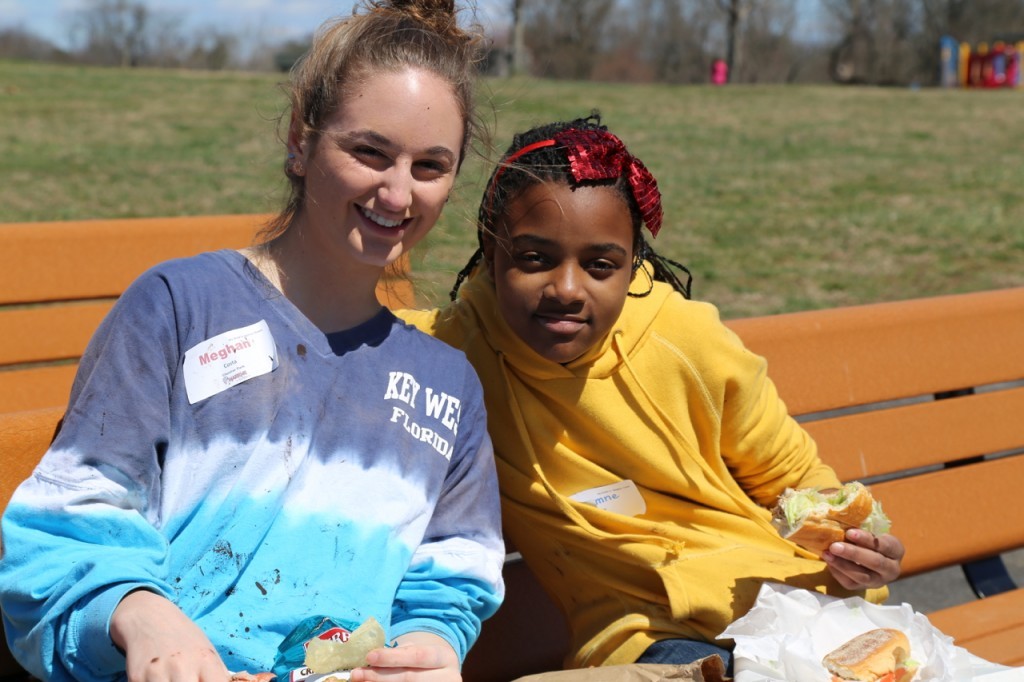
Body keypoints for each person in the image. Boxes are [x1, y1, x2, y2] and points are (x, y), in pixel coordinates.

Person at [0, 3, 504, 682]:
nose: (397, 191)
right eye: (370, 152)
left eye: (430, 167)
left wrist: (431, 649)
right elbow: (64, 528)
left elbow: (450, 583)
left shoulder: (447, 389)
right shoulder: (179, 306)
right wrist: (144, 615)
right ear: (302, 138)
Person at [398, 113, 905, 675]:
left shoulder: (689, 342)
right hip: (649, 646)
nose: (566, 289)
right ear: (491, 252)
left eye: (600, 266)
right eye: (534, 258)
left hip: (789, 613)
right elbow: (330, 323)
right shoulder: (450, 355)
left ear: (633, 262)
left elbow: (802, 486)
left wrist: (858, 551)